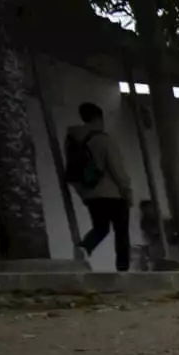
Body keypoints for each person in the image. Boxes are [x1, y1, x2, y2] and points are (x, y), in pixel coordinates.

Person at [65, 102, 134, 271]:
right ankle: (123, 270)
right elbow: (117, 169)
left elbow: (73, 171)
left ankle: (84, 247)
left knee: (100, 228)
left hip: (91, 195)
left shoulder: (72, 142)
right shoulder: (104, 140)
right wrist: (127, 190)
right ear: (99, 118)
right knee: (121, 233)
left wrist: (83, 194)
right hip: (113, 195)